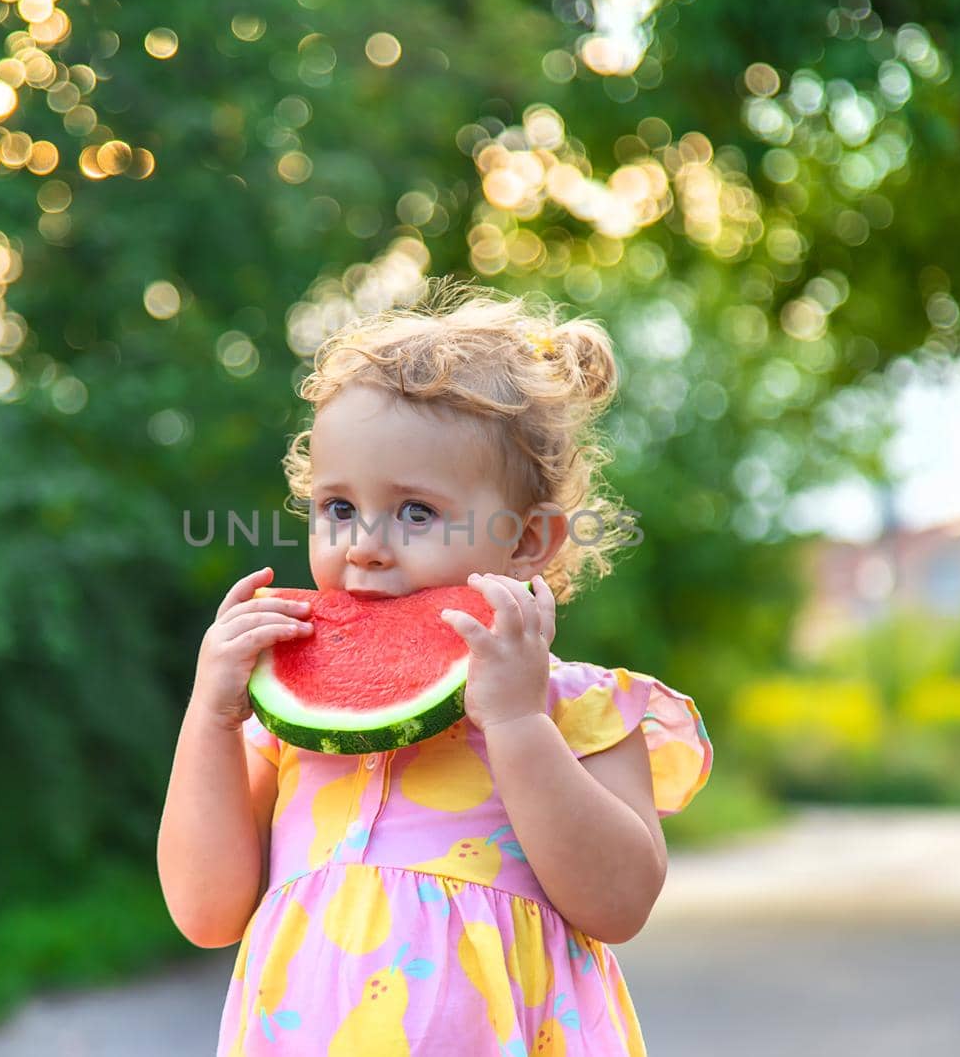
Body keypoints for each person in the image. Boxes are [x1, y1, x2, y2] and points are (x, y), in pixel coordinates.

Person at [157, 276, 714, 1056]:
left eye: (415, 511)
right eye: (338, 508)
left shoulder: (582, 707)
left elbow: (619, 902)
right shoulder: (290, 728)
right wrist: (210, 718)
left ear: (528, 541)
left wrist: (519, 722)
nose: (365, 545)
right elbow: (204, 910)